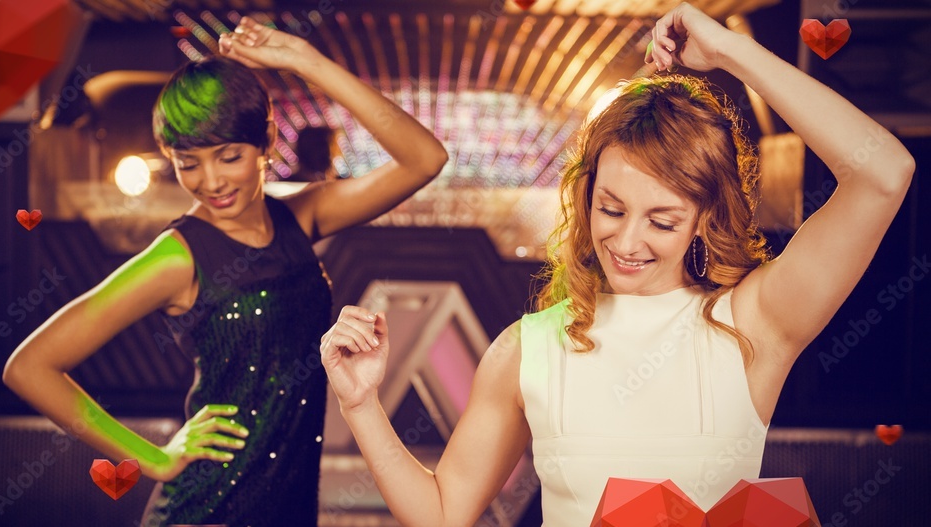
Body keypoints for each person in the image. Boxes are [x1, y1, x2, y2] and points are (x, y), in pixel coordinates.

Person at [318, 3, 915, 525]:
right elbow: (444, 514)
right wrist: (360, 405)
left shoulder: (755, 322)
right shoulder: (526, 349)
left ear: (706, 216)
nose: (627, 241)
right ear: (585, 198)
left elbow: (883, 174)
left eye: (662, 221)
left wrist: (732, 51)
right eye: (610, 209)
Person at [2, 16, 447, 527]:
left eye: (229, 156)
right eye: (188, 163)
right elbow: (29, 367)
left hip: (290, 506)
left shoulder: (300, 218)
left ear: (268, 142)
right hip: (207, 510)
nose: (211, 181)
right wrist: (154, 458)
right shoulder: (178, 257)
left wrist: (306, 61)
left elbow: (425, 159)